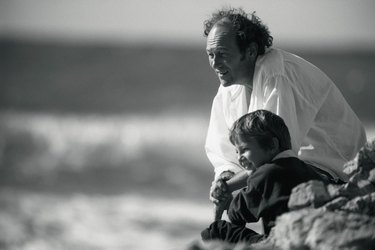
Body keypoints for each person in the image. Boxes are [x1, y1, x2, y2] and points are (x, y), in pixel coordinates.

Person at [203, 7, 367, 205]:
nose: (214, 63)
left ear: (251, 50)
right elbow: (223, 153)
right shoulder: (228, 86)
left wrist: (229, 187)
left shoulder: (276, 74)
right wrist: (223, 180)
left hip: (340, 175)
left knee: (269, 176)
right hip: (298, 170)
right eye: (210, 54)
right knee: (231, 216)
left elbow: (274, 154)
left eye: (222, 54)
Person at [201, 110, 328, 244]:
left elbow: (236, 215)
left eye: (245, 150)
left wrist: (220, 211)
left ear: (272, 145)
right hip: (310, 239)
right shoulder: (308, 170)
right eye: (237, 152)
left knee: (216, 229)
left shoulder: (265, 174)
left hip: (280, 243)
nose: (239, 158)